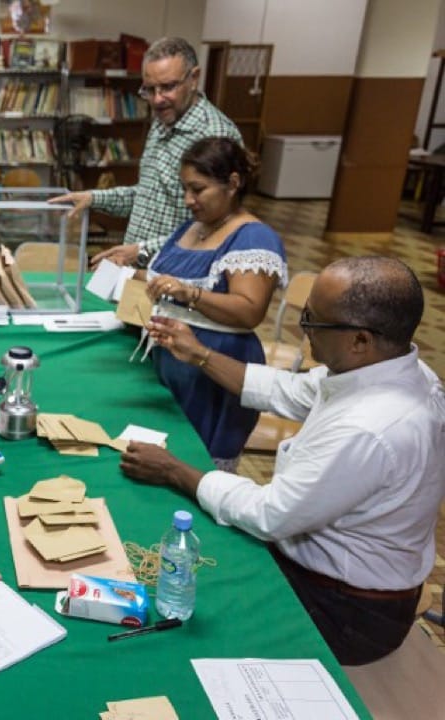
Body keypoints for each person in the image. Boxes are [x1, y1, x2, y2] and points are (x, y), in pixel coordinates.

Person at [119, 256, 445, 666]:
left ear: (360, 339)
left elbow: (270, 514)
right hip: (339, 578)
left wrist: (174, 470)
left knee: (192, 613)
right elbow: (285, 389)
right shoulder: (394, 369)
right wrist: (199, 353)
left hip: (345, 611)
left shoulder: (369, 427)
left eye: (312, 321)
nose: (303, 331)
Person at [139, 137, 286, 471]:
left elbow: (249, 311)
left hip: (215, 370)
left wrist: (191, 293)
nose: (189, 200)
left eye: (198, 189)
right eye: (185, 189)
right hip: (173, 362)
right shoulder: (193, 227)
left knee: (198, 468)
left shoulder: (253, 237)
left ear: (233, 184)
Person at [50, 37, 241, 270]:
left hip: (179, 279)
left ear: (194, 78)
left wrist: (142, 250)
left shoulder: (216, 136)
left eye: (168, 87)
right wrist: (93, 198)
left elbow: (216, 228)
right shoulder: (162, 121)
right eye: (149, 90)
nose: (157, 99)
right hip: (137, 271)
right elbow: (149, 197)